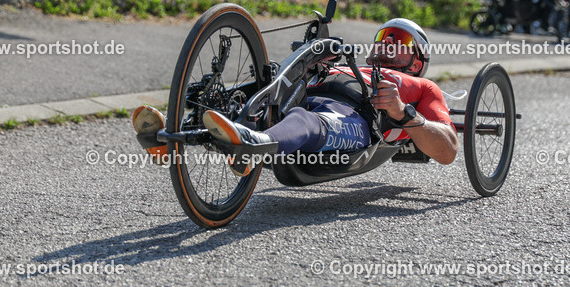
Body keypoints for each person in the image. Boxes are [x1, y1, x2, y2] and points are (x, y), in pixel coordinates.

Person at [162, 19, 459, 174]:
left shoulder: (422, 87)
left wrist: (403, 112)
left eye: (401, 40)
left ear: (418, 62)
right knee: (257, 88)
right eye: (384, 37)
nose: (389, 42)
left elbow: (447, 150)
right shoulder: (346, 63)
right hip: (300, 96)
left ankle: (256, 145)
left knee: (305, 120)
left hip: (355, 118)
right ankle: (173, 129)